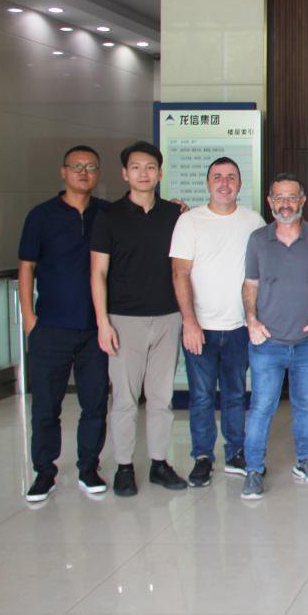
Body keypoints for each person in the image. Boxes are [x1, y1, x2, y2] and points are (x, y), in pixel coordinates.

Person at [90, 140, 187, 497]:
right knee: (125, 399)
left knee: (161, 397)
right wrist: (103, 322)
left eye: (150, 167)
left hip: (168, 317)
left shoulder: (175, 215)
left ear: (160, 173)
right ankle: (124, 467)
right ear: (124, 174)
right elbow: (98, 273)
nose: (143, 173)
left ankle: (159, 463)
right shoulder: (109, 216)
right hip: (123, 319)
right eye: (136, 167)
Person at [18, 145, 111, 501]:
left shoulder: (106, 213)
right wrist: (29, 318)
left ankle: (89, 467)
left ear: (99, 173)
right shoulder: (41, 216)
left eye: (90, 167)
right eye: (76, 167)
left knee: (94, 403)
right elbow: (27, 266)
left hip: (95, 329)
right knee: (46, 406)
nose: (83, 173)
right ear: (63, 172)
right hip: (51, 327)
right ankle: (44, 471)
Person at [170, 157, 265, 488]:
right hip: (201, 327)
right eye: (218, 177)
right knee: (201, 396)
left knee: (236, 393)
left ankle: (236, 452)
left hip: (239, 327)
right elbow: (180, 273)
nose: (224, 183)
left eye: (231, 177)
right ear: (208, 182)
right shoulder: (190, 222)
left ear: (240, 184)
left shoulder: (253, 221)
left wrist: (255, 320)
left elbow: (260, 274)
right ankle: (202, 457)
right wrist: (189, 322)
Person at [241, 173, 308, 500]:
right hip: (267, 343)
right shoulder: (258, 240)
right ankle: (253, 471)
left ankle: (305, 462)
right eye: (279, 197)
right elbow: (250, 284)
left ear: (302, 201)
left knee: (305, 405)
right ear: (270, 202)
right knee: (261, 407)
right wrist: (251, 320)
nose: (285, 204)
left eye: (291, 197)